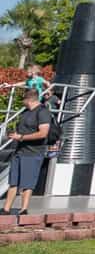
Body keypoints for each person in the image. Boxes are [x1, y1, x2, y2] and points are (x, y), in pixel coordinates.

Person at [3, 87, 53, 216]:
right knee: (13, 181)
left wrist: (22, 137)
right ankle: (6, 209)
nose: (22, 102)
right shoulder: (25, 112)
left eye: (23, 99)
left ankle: (23, 209)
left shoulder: (42, 112)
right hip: (19, 151)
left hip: (33, 152)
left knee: (27, 183)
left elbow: (43, 133)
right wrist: (15, 135)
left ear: (29, 99)